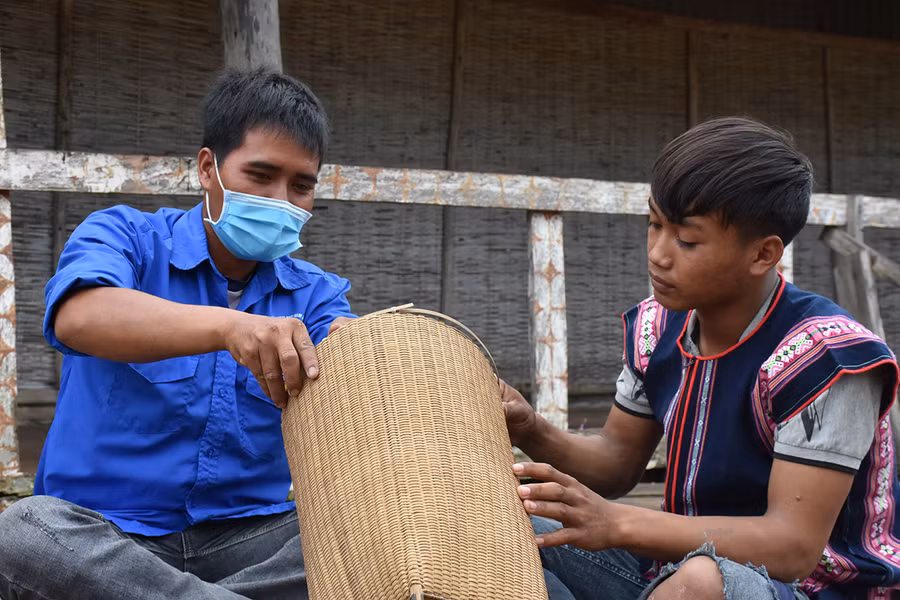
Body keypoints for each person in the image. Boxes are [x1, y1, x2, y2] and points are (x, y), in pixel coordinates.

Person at [502, 117, 900, 600]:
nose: (658, 254)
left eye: (686, 240)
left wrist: (618, 522)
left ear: (763, 254)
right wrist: (529, 428)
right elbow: (615, 464)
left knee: (700, 582)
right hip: (674, 573)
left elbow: (793, 547)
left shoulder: (825, 359)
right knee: (510, 518)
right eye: (654, 225)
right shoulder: (657, 328)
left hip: (810, 589)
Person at [0, 68, 355, 599]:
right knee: (22, 532)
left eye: (301, 186)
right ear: (207, 167)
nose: (282, 200)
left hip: (249, 536)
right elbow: (79, 316)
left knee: (378, 532)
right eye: (261, 175)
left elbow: (359, 372)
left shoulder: (319, 295)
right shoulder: (125, 237)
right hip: (109, 533)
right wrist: (228, 327)